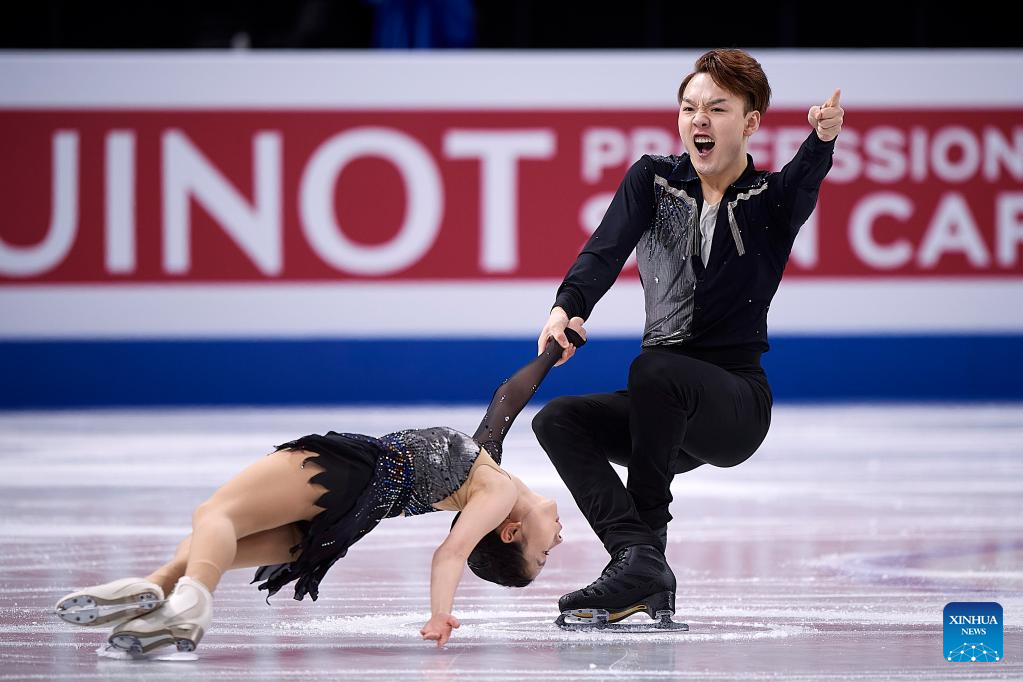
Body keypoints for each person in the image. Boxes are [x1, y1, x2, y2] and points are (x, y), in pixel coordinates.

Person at [531, 48, 844, 627]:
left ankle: (645, 551)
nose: (699, 119)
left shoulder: (771, 200)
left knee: (653, 371)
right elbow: (604, 250)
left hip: (734, 407)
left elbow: (804, 178)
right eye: (689, 107)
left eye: (717, 109)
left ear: (750, 122)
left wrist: (822, 140)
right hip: (662, 407)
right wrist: (565, 309)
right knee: (557, 420)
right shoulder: (653, 181)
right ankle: (637, 556)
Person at [54, 329, 586, 653]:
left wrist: (437, 612)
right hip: (350, 518)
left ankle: (189, 605)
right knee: (217, 547)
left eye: (543, 554)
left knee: (216, 514)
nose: (558, 542)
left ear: (510, 531)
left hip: (352, 471)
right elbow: (507, 399)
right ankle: (156, 595)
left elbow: (450, 552)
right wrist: (549, 353)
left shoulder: (493, 493)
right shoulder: (488, 471)